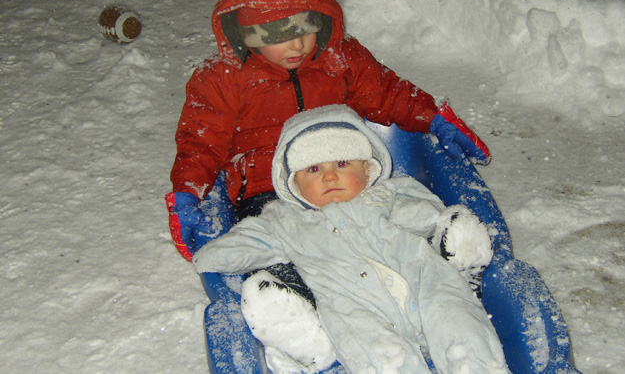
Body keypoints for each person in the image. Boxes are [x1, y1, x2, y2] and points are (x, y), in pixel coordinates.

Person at [166, 0, 490, 270]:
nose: (297, 45)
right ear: (245, 32)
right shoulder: (222, 78)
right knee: (278, 244)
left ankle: (432, 262)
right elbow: (200, 142)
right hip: (268, 188)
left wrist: (434, 119)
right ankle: (287, 295)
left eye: (307, 27)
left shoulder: (341, 57)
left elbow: (388, 92)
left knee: (385, 220)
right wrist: (187, 194)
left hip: (344, 176)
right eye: (277, 34)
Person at [193, 105, 507, 374]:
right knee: (381, 354)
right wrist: (211, 253)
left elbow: (427, 214)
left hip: (422, 280)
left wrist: (439, 225)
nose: (329, 176)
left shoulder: (387, 193)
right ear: (295, 185)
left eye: (342, 164)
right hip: (354, 307)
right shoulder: (285, 222)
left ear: (367, 170)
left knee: (456, 316)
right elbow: (250, 241)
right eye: (314, 169)